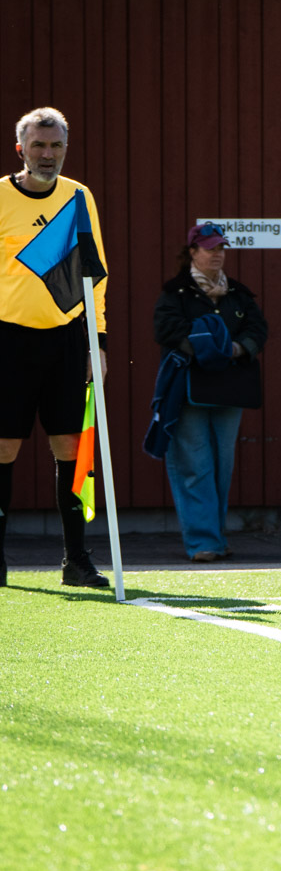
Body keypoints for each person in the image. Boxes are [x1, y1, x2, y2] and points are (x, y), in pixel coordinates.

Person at [0, 106, 109, 589]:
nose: (48, 154)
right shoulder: (1, 197)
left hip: (65, 339)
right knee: (4, 447)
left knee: (70, 446)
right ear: (20, 149)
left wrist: (97, 342)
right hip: (8, 339)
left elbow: (95, 274)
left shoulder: (78, 197)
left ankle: (76, 561)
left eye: (56, 145)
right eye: (39, 145)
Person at [152, 223, 268, 562]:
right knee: (194, 465)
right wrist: (206, 348)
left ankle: (214, 537)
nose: (217, 254)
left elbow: (258, 329)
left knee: (221, 466)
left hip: (230, 390)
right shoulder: (174, 293)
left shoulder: (239, 294)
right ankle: (203, 542)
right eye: (209, 248)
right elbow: (166, 329)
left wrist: (238, 348)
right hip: (188, 390)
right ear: (192, 252)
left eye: (221, 248)